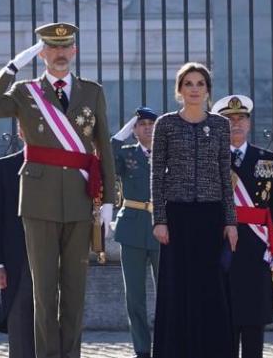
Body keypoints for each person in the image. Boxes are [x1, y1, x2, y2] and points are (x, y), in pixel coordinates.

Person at [0, 22, 117, 358]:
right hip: (38, 201)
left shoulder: (91, 92)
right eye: (52, 47)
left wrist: (109, 200)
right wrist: (13, 67)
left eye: (65, 47)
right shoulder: (25, 92)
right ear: (42, 54)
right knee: (43, 294)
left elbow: (103, 147)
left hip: (80, 199)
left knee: (74, 292)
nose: (59, 53)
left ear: (74, 51)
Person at [150, 62, 238, 358]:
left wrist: (231, 221)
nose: (195, 89)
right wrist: (159, 219)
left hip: (211, 216)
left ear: (208, 90)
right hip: (177, 216)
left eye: (200, 83)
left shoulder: (220, 125)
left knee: (211, 288)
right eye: (188, 83)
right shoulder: (166, 125)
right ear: (179, 89)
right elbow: (156, 175)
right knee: (177, 287)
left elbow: (225, 174)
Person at [210, 95, 273, 358]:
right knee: (225, 320)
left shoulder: (267, 159)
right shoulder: (212, 159)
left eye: (241, 118)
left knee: (254, 320)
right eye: (229, 119)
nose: (236, 123)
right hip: (222, 246)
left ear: (249, 123)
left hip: (257, 249)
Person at [110, 106, 160, 358]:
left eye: (152, 124)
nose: (148, 128)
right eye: (142, 125)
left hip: (162, 229)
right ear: (134, 130)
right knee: (135, 296)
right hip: (132, 229)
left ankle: (164, 344)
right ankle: (142, 348)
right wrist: (125, 128)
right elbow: (107, 155)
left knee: (167, 293)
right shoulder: (127, 153)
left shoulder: (167, 154)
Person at [0, 128, 36, 358]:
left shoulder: (59, 168)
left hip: (50, 261)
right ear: (20, 132)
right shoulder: (4, 167)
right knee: (19, 328)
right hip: (17, 264)